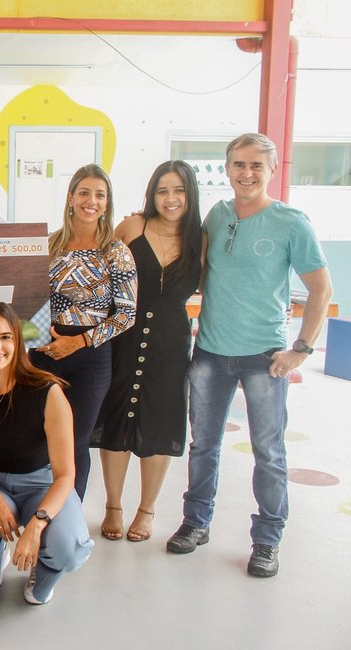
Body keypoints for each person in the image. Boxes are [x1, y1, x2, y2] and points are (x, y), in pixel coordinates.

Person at [167, 133, 331, 577]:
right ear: (227, 168)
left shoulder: (291, 222)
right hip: (210, 353)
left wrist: (300, 349)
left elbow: (321, 288)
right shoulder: (217, 216)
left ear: (272, 169)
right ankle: (196, 523)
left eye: (257, 165)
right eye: (239, 164)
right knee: (203, 446)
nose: (247, 173)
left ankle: (267, 540)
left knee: (269, 451)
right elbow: (190, 263)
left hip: (265, 356)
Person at [0, 302, 93, 605]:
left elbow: (66, 475)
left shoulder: (47, 390)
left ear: (18, 341)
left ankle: (45, 572)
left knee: (68, 546)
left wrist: (37, 524)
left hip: (43, 483)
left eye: (5, 337)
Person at [91, 161, 202, 542]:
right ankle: (113, 505)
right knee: (117, 416)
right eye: (162, 191)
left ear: (190, 195)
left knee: (160, 421)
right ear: (152, 195)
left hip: (171, 344)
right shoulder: (132, 227)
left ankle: (147, 509)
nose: (170, 199)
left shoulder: (200, 240)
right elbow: (97, 273)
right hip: (124, 335)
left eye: (179, 191)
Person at [30, 164, 137, 500]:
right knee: (38, 437)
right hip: (44, 351)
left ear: (107, 204)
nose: (92, 201)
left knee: (74, 441)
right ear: (71, 197)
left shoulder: (115, 251)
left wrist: (78, 342)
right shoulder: (47, 245)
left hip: (90, 355)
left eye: (100, 195)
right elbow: (28, 301)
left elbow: (128, 314)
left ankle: (68, 516)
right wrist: (35, 340)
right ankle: (36, 509)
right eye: (85, 192)